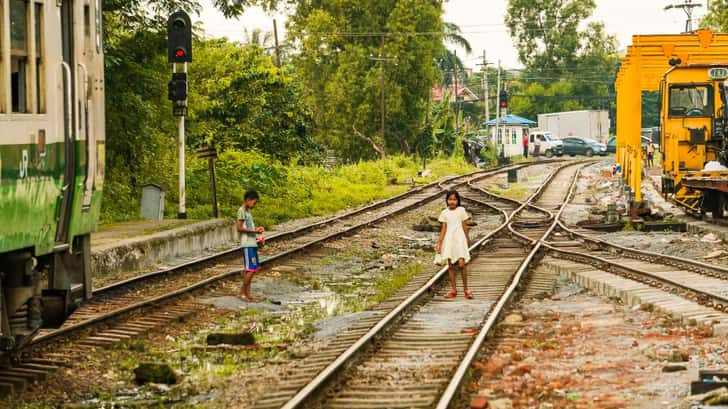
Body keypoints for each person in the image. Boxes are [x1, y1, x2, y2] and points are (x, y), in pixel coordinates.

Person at [436, 190, 472, 299]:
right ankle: (453, 290)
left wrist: (467, 239)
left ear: (458, 201)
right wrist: (439, 243)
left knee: (461, 264)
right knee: (450, 265)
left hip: (460, 239)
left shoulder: (461, 211)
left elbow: (465, 226)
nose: (452, 202)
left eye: (454, 199)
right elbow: (443, 229)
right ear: (447, 200)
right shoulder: (444, 213)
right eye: (450, 199)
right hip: (449, 240)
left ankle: (466, 289)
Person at [236, 190, 265, 302]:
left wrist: (257, 236)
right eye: (254, 202)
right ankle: (241, 293)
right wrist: (254, 231)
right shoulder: (241, 211)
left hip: (251, 242)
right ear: (248, 200)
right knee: (251, 269)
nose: (254, 205)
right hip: (247, 244)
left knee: (252, 269)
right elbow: (239, 228)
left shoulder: (247, 212)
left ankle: (247, 294)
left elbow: (248, 227)